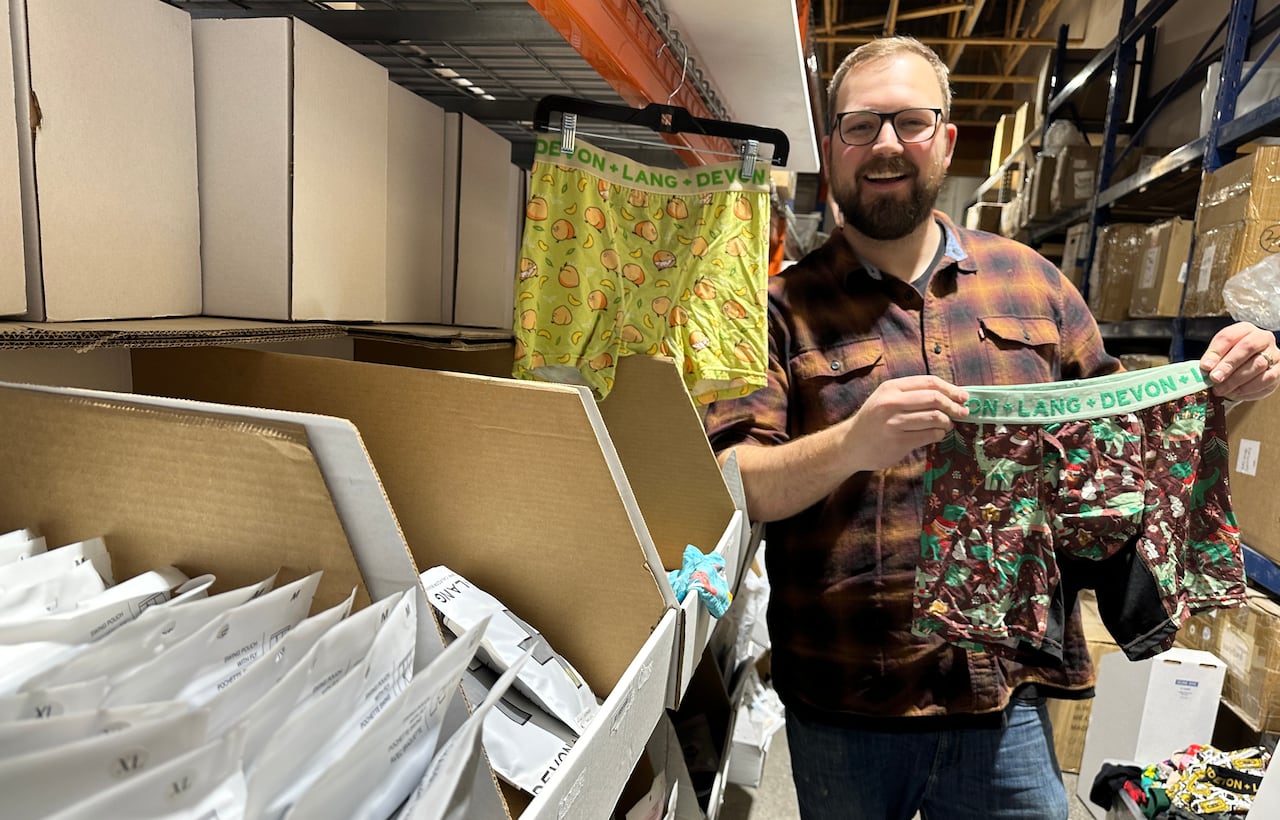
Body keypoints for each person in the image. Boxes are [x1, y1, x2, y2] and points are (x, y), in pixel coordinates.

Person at [702, 35, 1280, 820]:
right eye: (861, 125)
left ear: (946, 138)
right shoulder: (775, 309)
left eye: (909, 121)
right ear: (831, 145)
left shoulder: (1035, 284)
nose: (885, 146)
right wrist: (852, 444)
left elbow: (1122, 447)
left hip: (1001, 702)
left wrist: (1220, 390)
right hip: (843, 704)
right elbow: (733, 484)